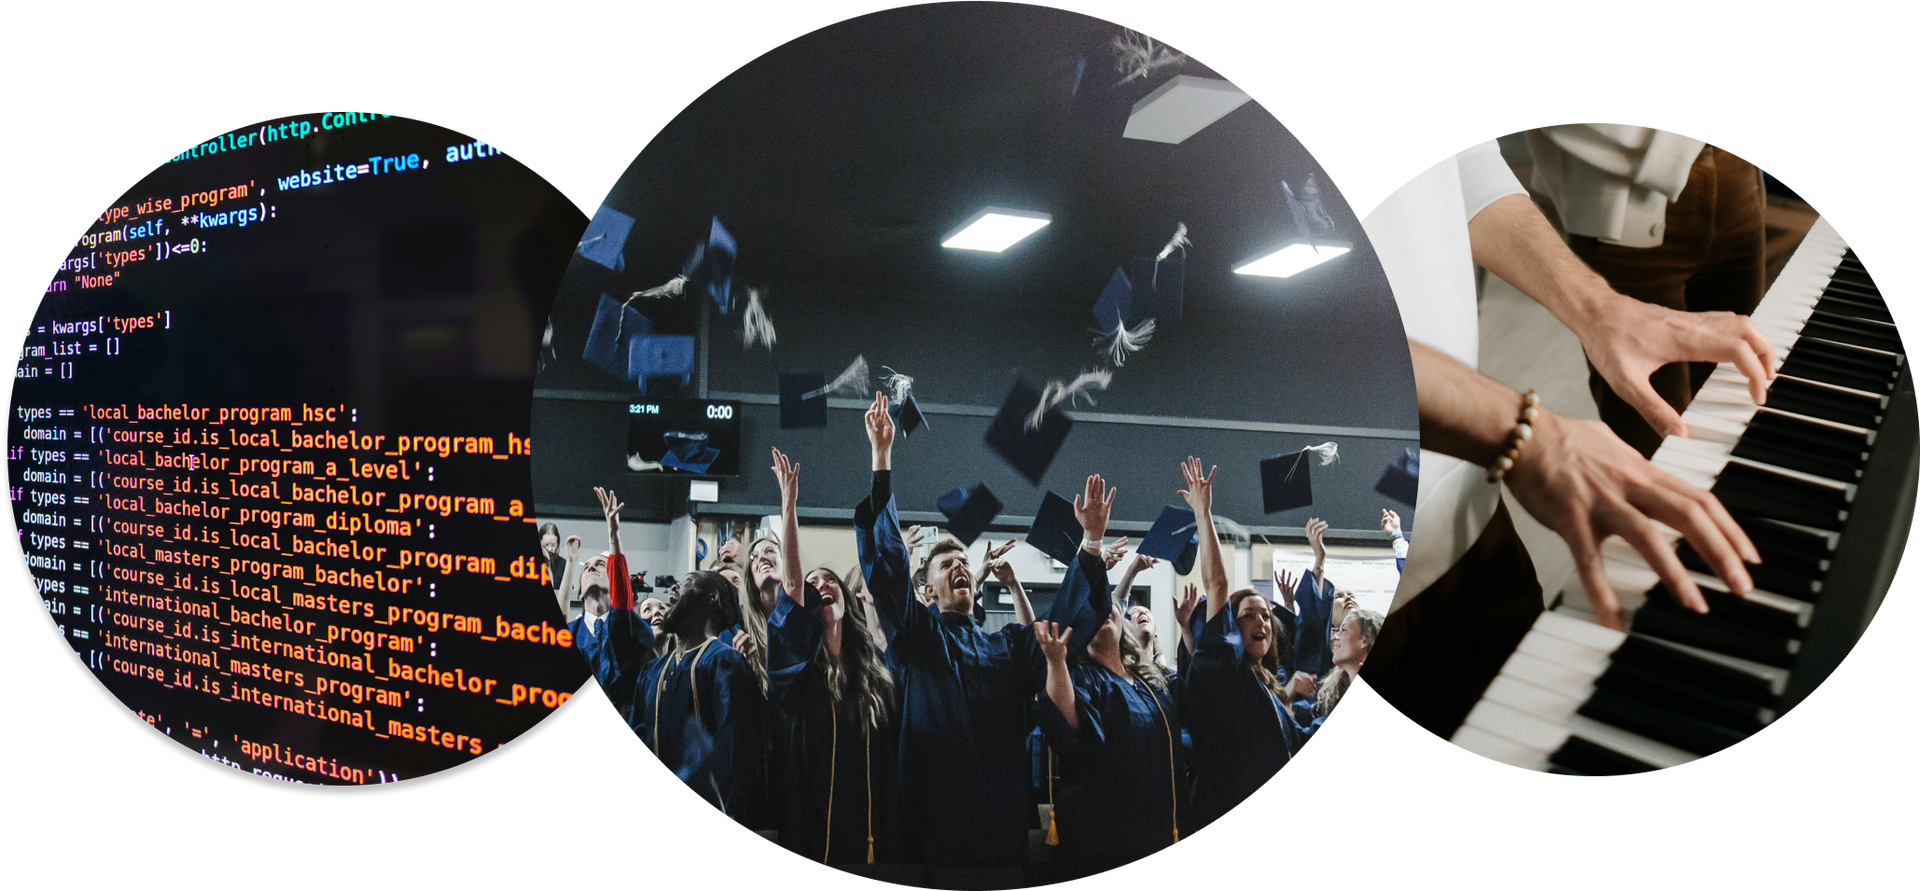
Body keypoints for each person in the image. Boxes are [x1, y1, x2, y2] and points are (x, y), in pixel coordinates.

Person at [1359, 136, 1766, 739]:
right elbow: (1266, 314)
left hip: (1471, 517)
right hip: (1320, 577)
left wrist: (1599, 305)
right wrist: (1522, 430)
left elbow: (1463, 167)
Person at [852, 391, 1112, 868]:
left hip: (998, 822)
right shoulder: (915, 636)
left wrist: (1091, 544)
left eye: (964, 562)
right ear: (926, 589)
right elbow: (886, 572)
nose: (961, 569)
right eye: (947, 564)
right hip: (931, 821)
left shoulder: (1008, 646)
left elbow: (1064, 631)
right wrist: (882, 459)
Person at [1524, 123, 1768, 457]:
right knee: (1658, 443)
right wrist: (1675, 147)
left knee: (1740, 400)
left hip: (1737, 181)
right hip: (1627, 197)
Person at [589, 486, 764, 822]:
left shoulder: (725, 664)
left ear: (710, 598)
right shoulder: (652, 672)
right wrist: (614, 539)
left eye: (685, 583)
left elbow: (734, 757)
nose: (672, 589)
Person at [763, 447, 903, 865]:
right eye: (813, 582)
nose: (822, 584)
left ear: (845, 599)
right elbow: (791, 584)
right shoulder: (798, 674)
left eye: (830, 580)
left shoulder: (877, 677)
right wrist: (789, 507)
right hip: (811, 824)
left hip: (871, 827)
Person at [1176, 456, 1301, 835]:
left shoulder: (1266, 683)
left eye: (1266, 615)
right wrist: (1203, 512)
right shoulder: (1224, 670)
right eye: (1248, 614)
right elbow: (1217, 585)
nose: (1262, 621)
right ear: (1230, 625)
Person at [1035, 598, 1187, 881]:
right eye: (1090, 611)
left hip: (1158, 836)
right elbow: (1068, 722)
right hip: (1101, 847)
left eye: (1109, 605)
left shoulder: (1153, 685)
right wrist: (1056, 663)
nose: (1101, 611)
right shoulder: (1080, 678)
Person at [566, 580, 611, 667]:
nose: (592, 567)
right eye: (586, 568)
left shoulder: (628, 631)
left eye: (600, 565)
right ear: (580, 594)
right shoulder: (568, 632)